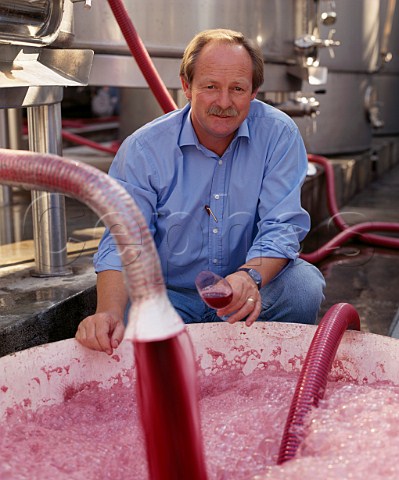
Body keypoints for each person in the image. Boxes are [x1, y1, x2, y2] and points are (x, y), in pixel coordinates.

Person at [75, 28, 326, 355]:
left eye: (237, 88)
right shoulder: (143, 150)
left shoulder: (278, 135)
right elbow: (125, 240)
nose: (224, 102)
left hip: (247, 291)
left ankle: (269, 371)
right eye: (210, 87)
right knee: (122, 317)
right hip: (170, 297)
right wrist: (106, 312)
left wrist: (250, 277)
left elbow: (282, 227)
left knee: (304, 287)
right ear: (186, 86)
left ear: (254, 92)